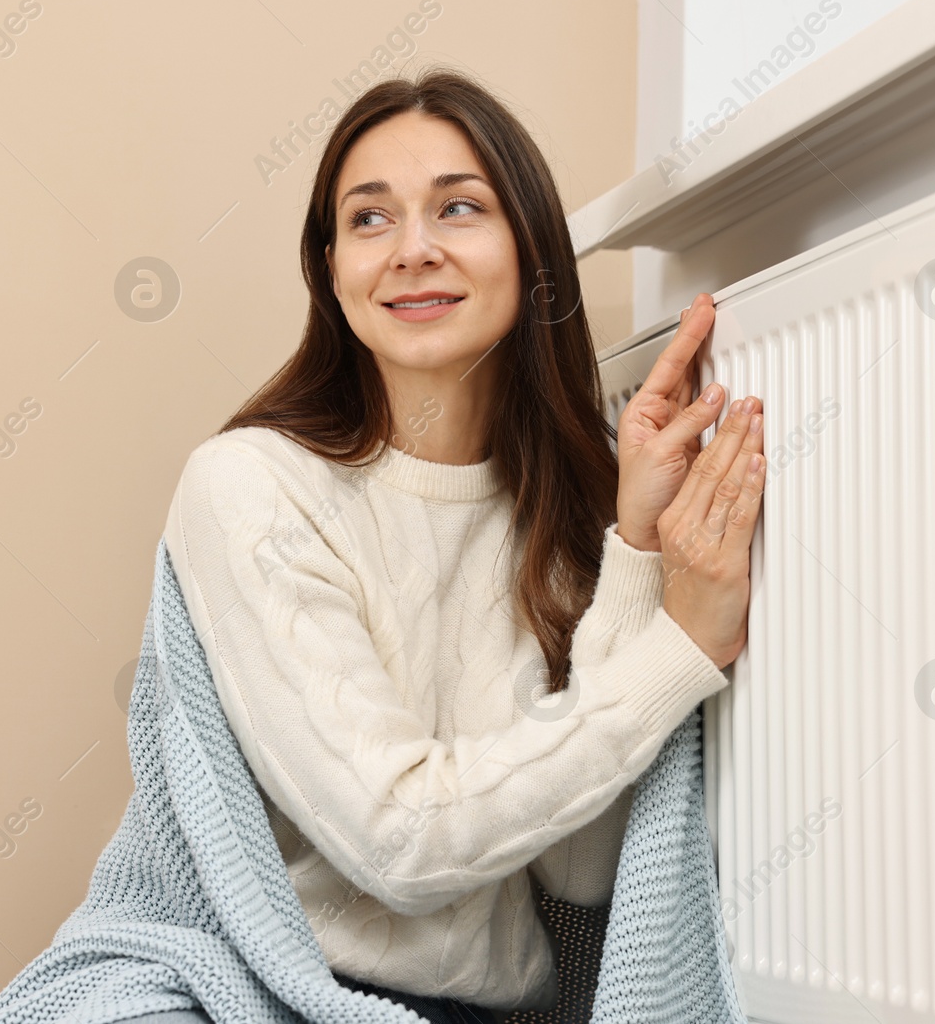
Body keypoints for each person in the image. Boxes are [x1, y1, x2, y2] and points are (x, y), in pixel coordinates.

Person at [154, 65, 764, 1023]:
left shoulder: (563, 504)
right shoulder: (252, 487)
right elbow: (402, 843)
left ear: (530, 250)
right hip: (258, 992)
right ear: (330, 269)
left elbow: (581, 868)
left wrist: (637, 548)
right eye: (369, 218)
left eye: (459, 208)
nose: (412, 250)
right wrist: (681, 651)